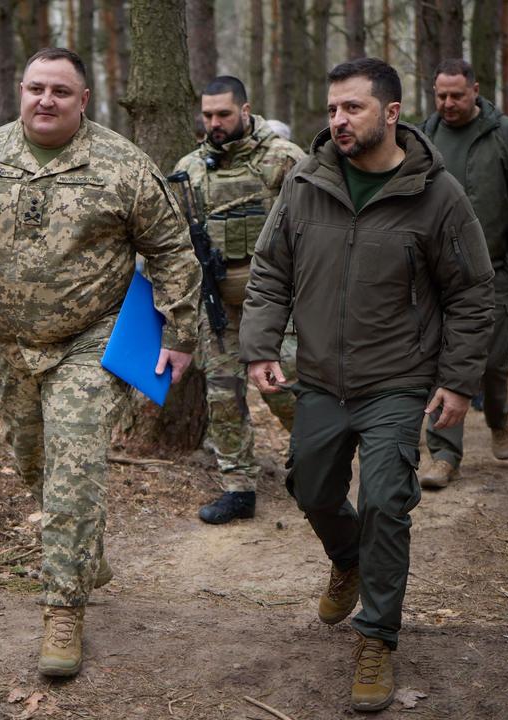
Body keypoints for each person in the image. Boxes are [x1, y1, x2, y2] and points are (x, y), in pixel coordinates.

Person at [0, 48, 200, 677]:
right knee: (33, 459)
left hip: (92, 339)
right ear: (20, 90)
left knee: (74, 461)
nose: (46, 100)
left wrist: (179, 332)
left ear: (84, 99)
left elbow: (172, 249)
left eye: (61, 91)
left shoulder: (121, 164)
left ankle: (62, 608)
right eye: (36, 87)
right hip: (11, 343)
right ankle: (83, 551)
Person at [241, 58, 493, 713]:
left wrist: (460, 382)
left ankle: (376, 637)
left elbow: (471, 294)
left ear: (391, 112)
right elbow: (270, 270)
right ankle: (346, 560)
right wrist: (260, 347)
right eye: (331, 109)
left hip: (398, 382)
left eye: (352, 108)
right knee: (310, 484)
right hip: (321, 377)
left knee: (385, 500)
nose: (337, 121)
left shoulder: (437, 195)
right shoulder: (306, 182)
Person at [172, 76, 306, 524]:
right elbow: (173, 241)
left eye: (224, 114)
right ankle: (238, 487)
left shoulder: (283, 160)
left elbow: (319, 228)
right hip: (219, 305)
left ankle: (312, 465)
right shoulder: (190, 170)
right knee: (223, 396)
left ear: (245, 110)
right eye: (207, 116)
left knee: (286, 390)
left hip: (278, 305)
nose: (215, 123)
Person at [418, 58, 508, 488]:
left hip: (492, 273)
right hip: (438, 275)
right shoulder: (423, 137)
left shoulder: (506, 136)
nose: (448, 103)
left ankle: (498, 416)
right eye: (441, 95)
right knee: (442, 360)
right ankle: (443, 454)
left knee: (490, 362)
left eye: (457, 94)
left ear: (475, 89)